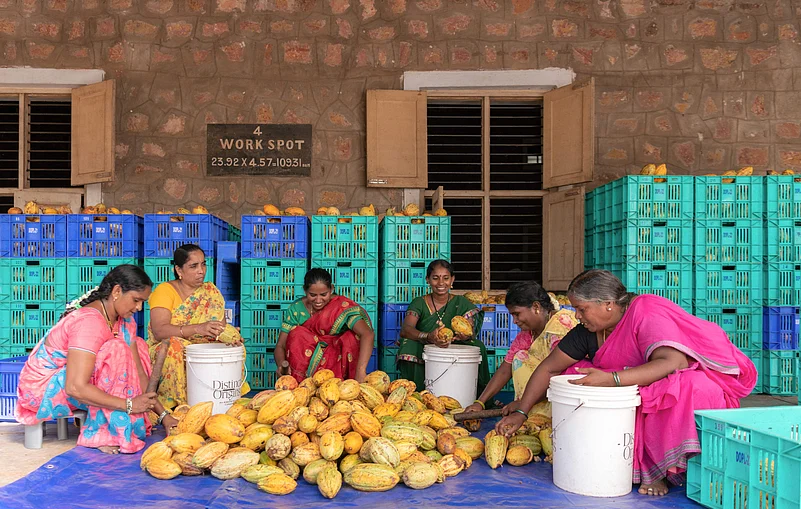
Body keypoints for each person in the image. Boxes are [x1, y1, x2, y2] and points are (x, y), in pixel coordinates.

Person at [494, 269, 757, 497]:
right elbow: (549, 368)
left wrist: (612, 379)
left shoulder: (645, 312)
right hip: (636, 382)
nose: (577, 315)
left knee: (692, 386)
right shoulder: (587, 331)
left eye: (582, 309)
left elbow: (672, 361)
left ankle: (660, 468)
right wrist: (520, 411)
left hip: (675, 379)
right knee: (575, 373)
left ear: (607, 304)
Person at [16, 265, 178, 454]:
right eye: (136, 300)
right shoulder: (89, 322)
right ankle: (102, 432)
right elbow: (75, 387)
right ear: (117, 291)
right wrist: (129, 405)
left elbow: (139, 374)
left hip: (73, 382)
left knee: (138, 347)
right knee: (116, 350)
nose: (139, 308)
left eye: (143, 302)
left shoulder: (125, 321)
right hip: (42, 389)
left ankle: (113, 423)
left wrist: (164, 415)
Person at [147, 244, 248, 410]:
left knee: (234, 348)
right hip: (166, 348)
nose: (201, 270)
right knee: (176, 348)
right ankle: (178, 407)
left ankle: (221, 402)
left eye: (203, 264)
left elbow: (218, 327)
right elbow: (159, 331)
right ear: (179, 270)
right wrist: (197, 328)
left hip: (202, 349)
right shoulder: (165, 291)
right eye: (193, 266)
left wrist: (229, 335)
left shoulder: (210, 292)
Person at [463, 281, 578, 414]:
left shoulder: (560, 327)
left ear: (536, 307)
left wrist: (522, 404)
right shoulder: (528, 333)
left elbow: (563, 376)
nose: (514, 321)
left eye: (517, 314)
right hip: (533, 399)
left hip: (562, 399)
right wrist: (480, 402)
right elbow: (506, 369)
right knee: (520, 357)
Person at [397, 260, 490, 393]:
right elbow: (406, 329)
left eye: (446, 278)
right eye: (435, 278)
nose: (441, 283)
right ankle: (416, 394)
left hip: (453, 344)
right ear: (427, 280)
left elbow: (471, 330)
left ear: (452, 279)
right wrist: (428, 336)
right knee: (408, 345)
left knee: (478, 346)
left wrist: (464, 335)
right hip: (425, 345)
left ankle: (482, 397)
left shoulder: (460, 302)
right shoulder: (419, 302)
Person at [274, 268, 375, 383]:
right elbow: (280, 345)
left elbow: (367, 334)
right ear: (305, 290)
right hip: (305, 368)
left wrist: (361, 371)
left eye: (323, 294)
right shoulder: (296, 309)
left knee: (351, 337)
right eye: (312, 295)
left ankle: (344, 385)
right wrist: (282, 365)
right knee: (297, 334)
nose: (318, 300)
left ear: (331, 289)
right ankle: (300, 387)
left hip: (337, 363)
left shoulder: (341, 306)